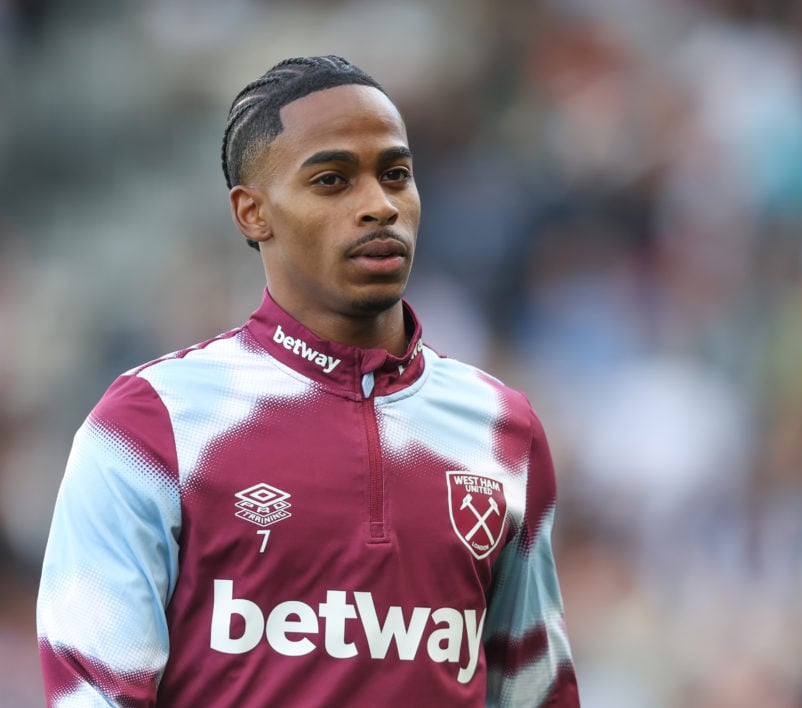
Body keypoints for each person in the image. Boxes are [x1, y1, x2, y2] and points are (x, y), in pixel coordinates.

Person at [36, 55, 579, 707]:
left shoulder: (502, 428)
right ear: (252, 213)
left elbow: (534, 690)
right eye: (332, 180)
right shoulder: (151, 425)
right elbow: (93, 694)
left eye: (396, 175)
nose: (379, 205)